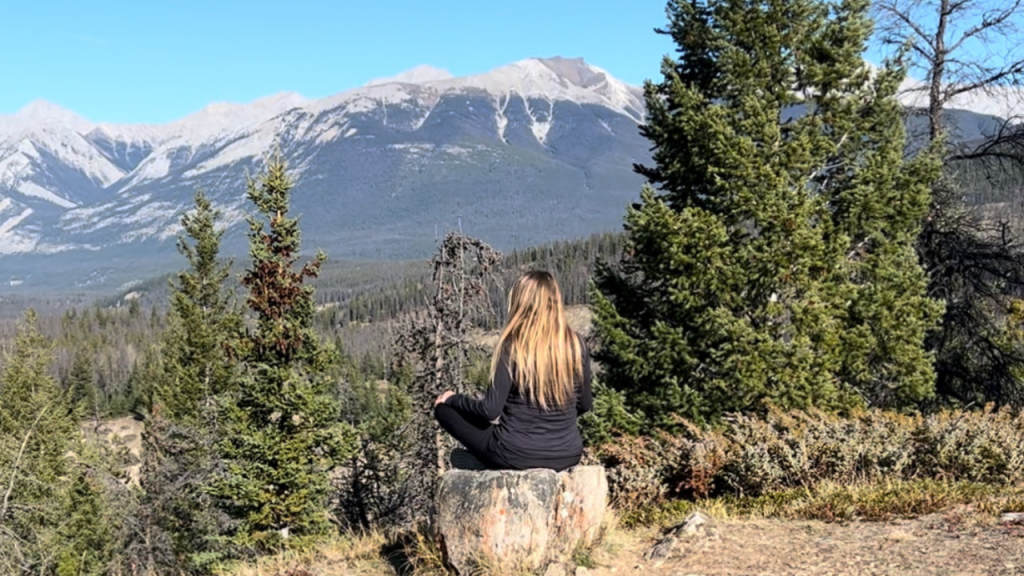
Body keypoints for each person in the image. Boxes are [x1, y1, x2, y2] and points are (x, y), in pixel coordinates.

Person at [433, 270, 593, 471]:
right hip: (567, 455)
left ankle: (483, 463)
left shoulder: (513, 345)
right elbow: (585, 405)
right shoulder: (576, 344)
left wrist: (452, 399)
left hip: (515, 455)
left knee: (444, 411)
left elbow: (490, 410)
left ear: (520, 303)